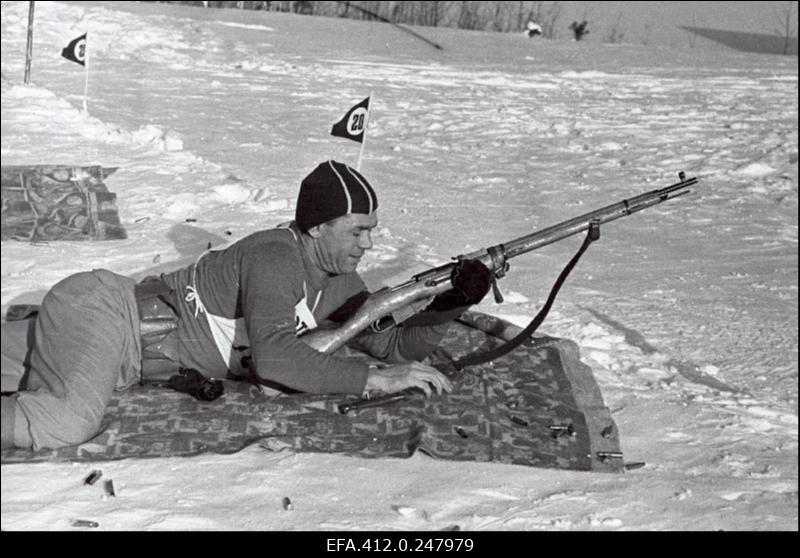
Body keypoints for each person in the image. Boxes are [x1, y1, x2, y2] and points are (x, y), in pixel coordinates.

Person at [1, 160, 491, 450]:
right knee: (68, 421)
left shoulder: (342, 281)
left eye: (371, 232)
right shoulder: (275, 254)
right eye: (357, 230)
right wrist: (374, 382)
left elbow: (395, 348)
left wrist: (453, 301)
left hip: (121, 355)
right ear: (317, 227)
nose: (367, 245)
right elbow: (277, 356)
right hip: (106, 313)